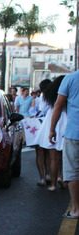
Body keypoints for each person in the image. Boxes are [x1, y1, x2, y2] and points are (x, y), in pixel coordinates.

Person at [50, 71, 79, 218]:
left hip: (74, 133)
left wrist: (51, 130)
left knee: (73, 171)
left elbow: (58, 106)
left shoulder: (69, 79)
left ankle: (76, 209)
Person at [36, 76, 66, 191]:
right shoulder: (67, 93)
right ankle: (62, 177)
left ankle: (53, 184)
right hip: (65, 122)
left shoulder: (48, 94)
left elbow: (42, 108)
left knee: (53, 158)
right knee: (64, 157)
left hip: (51, 121)